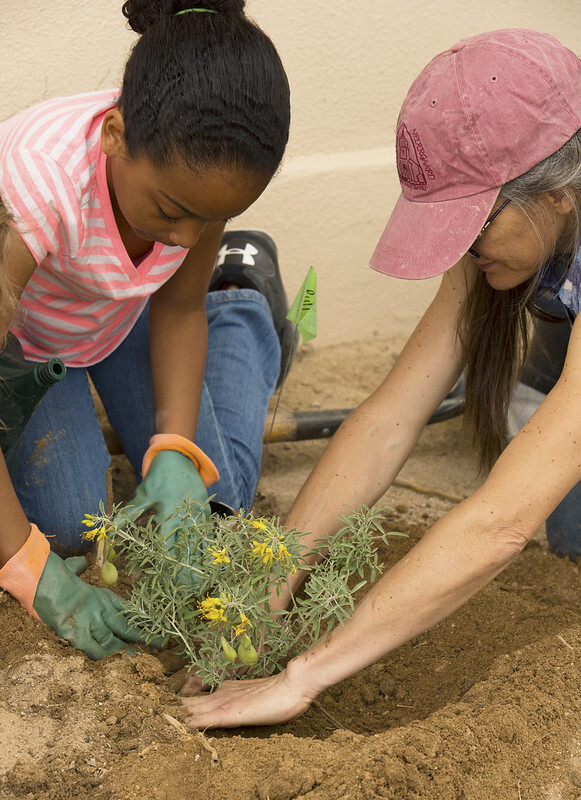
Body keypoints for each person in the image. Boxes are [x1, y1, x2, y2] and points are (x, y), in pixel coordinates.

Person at [182, 28, 581, 729]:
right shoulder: (517, 227)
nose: (463, 248)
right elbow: (387, 421)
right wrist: (267, 585)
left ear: (555, 197)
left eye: (474, 224)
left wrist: (303, 677)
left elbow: (500, 522)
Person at [0, 0, 292, 660]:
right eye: (171, 212)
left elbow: (179, 307)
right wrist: (26, 565)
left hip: (123, 316)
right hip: (30, 344)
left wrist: (172, 448)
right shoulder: (30, 194)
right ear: (113, 134)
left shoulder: (201, 170)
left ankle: (241, 301)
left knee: (217, 507)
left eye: (211, 222)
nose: (187, 238)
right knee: (63, 525)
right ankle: (238, 305)